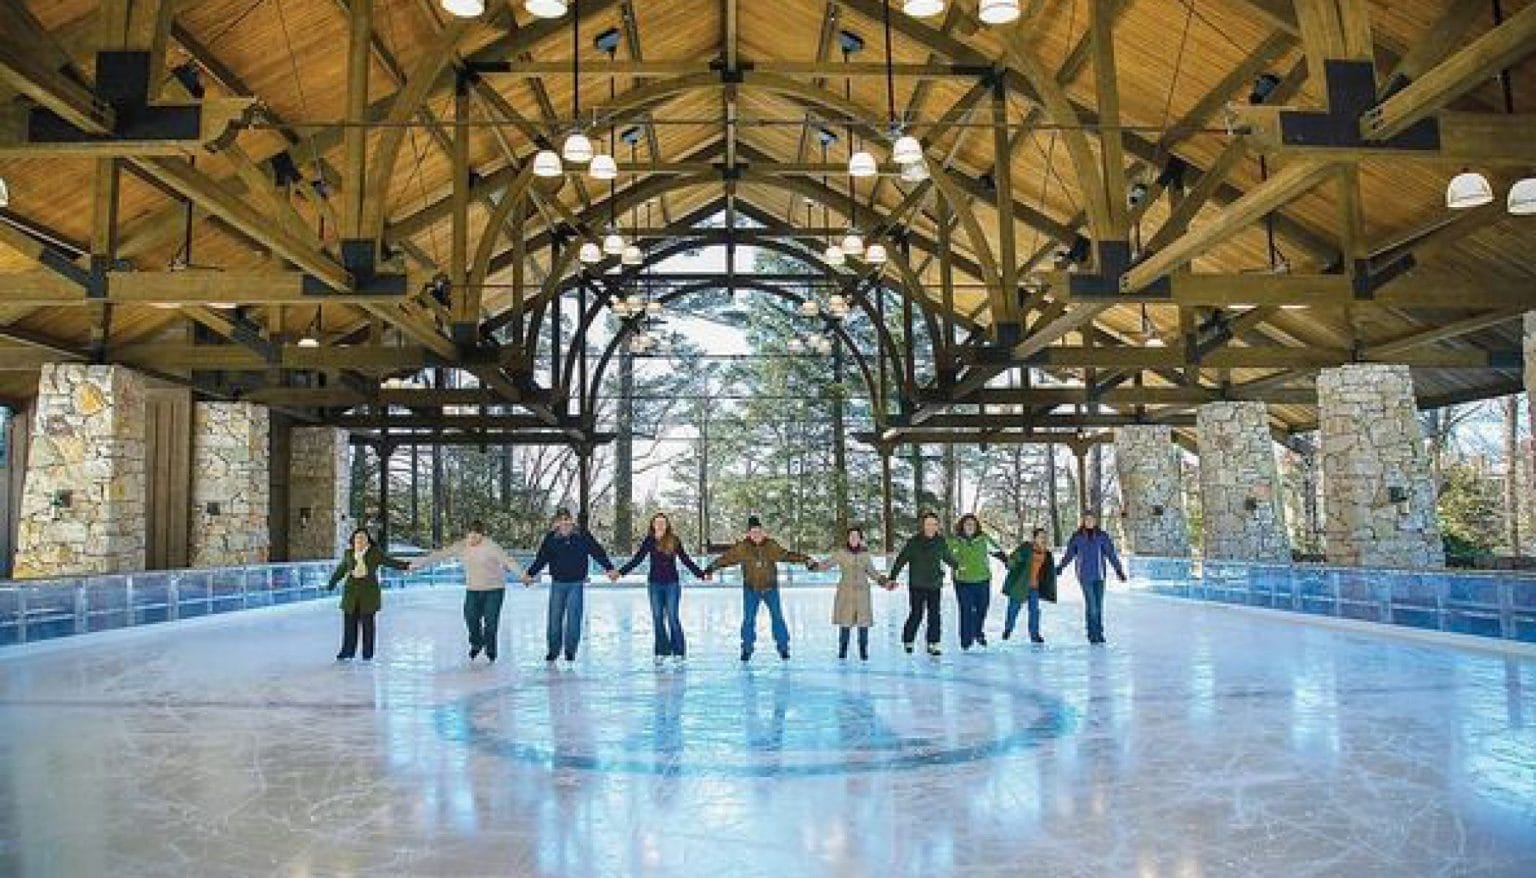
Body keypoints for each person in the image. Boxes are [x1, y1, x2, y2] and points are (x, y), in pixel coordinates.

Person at [704, 515, 815, 662]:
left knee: (777, 618)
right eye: (753, 532)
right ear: (748, 533)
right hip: (751, 589)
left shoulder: (771, 545)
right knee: (749, 620)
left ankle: (783, 648)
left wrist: (806, 559)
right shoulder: (742, 548)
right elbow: (726, 559)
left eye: (758, 531)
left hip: (771, 589)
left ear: (763, 532)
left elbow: (787, 555)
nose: (756, 535)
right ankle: (747, 649)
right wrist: (710, 568)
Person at [410, 520, 524, 662]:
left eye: (476, 536)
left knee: (491, 622)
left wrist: (522, 575)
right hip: (473, 589)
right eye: (470, 536)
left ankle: (491, 649)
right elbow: (439, 555)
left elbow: (509, 561)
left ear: (482, 535)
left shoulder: (491, 547)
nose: (472, 540)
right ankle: (477, 642)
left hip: (494, 589)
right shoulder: (461, 546)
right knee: (470, 618)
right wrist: (417, 564)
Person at [522, 508, 619, 663]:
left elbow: (597, 552)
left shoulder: (582, 536)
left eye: (568, 519)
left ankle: (570, 651)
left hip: (576, 583)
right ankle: (553, 650)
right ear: (557, 522)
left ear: (572, 521)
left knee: (574, 618)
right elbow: (541, 559)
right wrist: (530, 574)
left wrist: (609, 568)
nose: (565, 523)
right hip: (558, 584)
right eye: (561, 520)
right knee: (554, 619)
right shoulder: (551, 538)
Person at [619, 512, 709, 664]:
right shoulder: (649, 541)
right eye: (657, 522)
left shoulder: (674, 540)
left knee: (673, 617)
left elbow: (685, 560)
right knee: (657, 618)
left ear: (667, 525)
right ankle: (661, 650)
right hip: (654, 584)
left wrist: (700, 574)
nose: (660, 525)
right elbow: (637, 559)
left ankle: (679, 651)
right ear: (653, 525)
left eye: (663, 522)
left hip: (672, 584)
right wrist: (621, 572)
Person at [326, 527, 411, 661]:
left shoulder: (374, 553)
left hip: (368, 594)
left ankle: (367, 653)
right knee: (349, 624)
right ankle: (347, 651)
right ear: (353, 540)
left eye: (363, 538)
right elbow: (341, 569)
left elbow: (389, 561)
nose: (360, 540)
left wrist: (406, 566)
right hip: (350, 594)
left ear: (368, 541)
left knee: (368, 625)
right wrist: (332, 582)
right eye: (357, 538)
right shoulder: (348, 553)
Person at [814, 526, 891, 661]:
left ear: (860, 539)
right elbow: (827, 564)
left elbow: (872, 572)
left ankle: (863, 651)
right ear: (848, 538)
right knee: (845, 622)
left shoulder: (865, 555)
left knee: (863, 623)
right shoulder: (841, 553)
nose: (853, 538)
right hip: (846, 592)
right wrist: (814, 566)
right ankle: (842, 650)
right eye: (851, 536)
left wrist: (884, 582)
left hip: (862, 593)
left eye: (856, 536)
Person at [890, 512, 959, 656]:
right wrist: (893, 577)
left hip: (934, 584)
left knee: (935, 614)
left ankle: (933, 643)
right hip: (917, 584)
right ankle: (908, 639)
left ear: (937, 526)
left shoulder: (940, 541)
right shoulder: (914, 542)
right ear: (923, 525)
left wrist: (958, 566)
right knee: (917, 613)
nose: (931, 527)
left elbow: (947, 557)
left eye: (934, 524)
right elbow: (901, 560)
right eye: (928, 524)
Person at [1055, 513, 1126, 644]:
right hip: (1084, 576)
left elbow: (1111, 554)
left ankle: (1099, 633)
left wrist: (1118, 570)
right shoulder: (1077, 537)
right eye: (1086, 520)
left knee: (1098, 606)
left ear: (1095, 521)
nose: (1089, 522)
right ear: (1083, 521)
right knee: (1092, 605)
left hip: (1099, 576)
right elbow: (1069, 554)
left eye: (1091, 519)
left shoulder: (1102, 536)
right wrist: (1060, 567)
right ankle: (1092, 634)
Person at [948, 513, 1007, 651]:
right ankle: (966, 639)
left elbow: (997, 551)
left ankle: (978, 632)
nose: (970, 526)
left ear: (977, 527)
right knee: (966, 609)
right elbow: (943, 555)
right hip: (962, 581)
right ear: (962, 526)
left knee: (982, 608)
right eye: (967, 524)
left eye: (972, 524)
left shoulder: (983, 539)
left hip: (982, 580)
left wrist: (1008, 562)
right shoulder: (954, 541)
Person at [1001, 527, 1057, 643]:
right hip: (1020, 584)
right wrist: (1009, 561)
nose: (1043, 539)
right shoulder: (1026, 548)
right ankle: (1008, 629)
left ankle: (1034, 635)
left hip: (1034, 587)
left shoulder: (1046, 554)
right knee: (1013, 609)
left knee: (1034, 611)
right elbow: (1014, 560)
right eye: (1040, 536)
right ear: (1034, 538)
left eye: (1045, 537)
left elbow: (1047, 571)